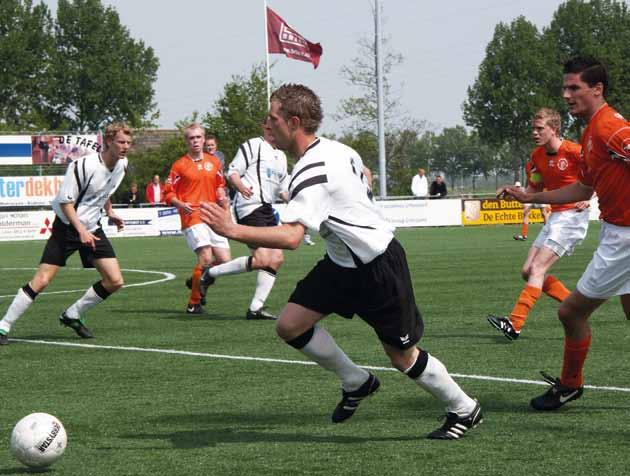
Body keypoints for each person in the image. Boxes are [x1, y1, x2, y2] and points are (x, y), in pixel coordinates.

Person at [199, 84, 483, 439]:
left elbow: (290, 238)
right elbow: (363, 172)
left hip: (378, 265)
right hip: (341, 263)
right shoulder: (335, 148)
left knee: (402, 356)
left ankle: (464, 408)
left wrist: (231, 229)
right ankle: (356, 380)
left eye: (273, 118)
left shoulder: (310, 171)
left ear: (294, 121)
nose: (267, 125)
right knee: (290, 325)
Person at [498, 57, 630, 411]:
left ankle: (570, 385)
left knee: (570, 314)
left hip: (625, 240)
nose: (567, 94)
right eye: (565, 88)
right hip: (616, 233)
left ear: (597, 89)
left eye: (575, 88)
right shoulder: (590, 132)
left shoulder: (609, 129)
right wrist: (531, 197)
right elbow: (583, 189)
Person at [0, 123, 132, 345]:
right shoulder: (83, 166)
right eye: (121, 142)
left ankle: (71, 315)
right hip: (67, 228)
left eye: (128, 143)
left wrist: (109, 212)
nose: (125, 146)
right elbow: (66, 202)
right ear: (109, 142)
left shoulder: (122, 165)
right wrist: (80, 230)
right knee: (42, 281)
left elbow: (105, 190)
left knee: (115, 280)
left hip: (92, 228)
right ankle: (3, 326)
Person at [488, 107, 588, 341]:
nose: (534, 132)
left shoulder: (575, 151)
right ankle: (578, 306)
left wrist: (589, 196)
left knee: (538, 268)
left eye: (539, 128)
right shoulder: (537, 157)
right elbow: (532, 190)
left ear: (554, 129)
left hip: (572, 218)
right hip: (555, 217)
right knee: (527, 271)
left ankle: (515, 324)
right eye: (533, 128)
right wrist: (512, 191)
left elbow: (601, 175)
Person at [199, 120, 288, 320]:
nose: (273, 130)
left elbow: (283, 189)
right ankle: (210, 274)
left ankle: (255, 309)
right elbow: (232, 172)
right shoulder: (253, 145)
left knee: (276, 258)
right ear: (264, 127)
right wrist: (241, 187)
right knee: (264, 258)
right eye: (269, 126)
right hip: (249, 206)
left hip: (267, 210)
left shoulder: (281, 155)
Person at [164, 123, 231, 314]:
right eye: (191, 138)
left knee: (225, 261)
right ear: (186, 141)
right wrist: (179, 204)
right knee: (206, 257)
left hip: (212, 213)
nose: (195, 141)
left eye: (198, 137)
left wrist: (222, 198)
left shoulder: (214, 162)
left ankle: (196, 281)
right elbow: (168, 193)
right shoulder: (179, 165)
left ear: (204, 139)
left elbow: (220, 185)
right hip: (192, 215)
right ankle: (193, 303)